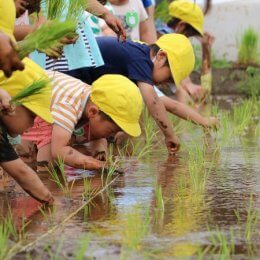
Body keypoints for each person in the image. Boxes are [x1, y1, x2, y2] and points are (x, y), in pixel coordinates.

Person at [68, 34, 218, 152]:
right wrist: (170, 135)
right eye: (169, 77)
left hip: (82, 83)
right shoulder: (140, 59)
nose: (166, 83)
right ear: (161, 56)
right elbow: (152, 102)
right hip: (70, 75)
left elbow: (171, 105)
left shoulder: (142, 66)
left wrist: (204, 121)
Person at [22, 73, 143, 170]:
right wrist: (95, 164)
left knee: (80, 134)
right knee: (48, 168)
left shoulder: (93, 99)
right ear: (93, 112)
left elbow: (99, 137)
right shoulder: (68, 106)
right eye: (111, 131)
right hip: (26, 104)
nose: (112, 135)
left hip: (44, 102)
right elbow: (59, 151)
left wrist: (99, 151)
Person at [166, 0, 214, 105]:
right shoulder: (165, 43)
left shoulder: (174, 42)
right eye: (189, 35)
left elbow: (204, 87)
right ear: (181, 26)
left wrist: (206, 50)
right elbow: (186, 85)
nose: (188, 40)